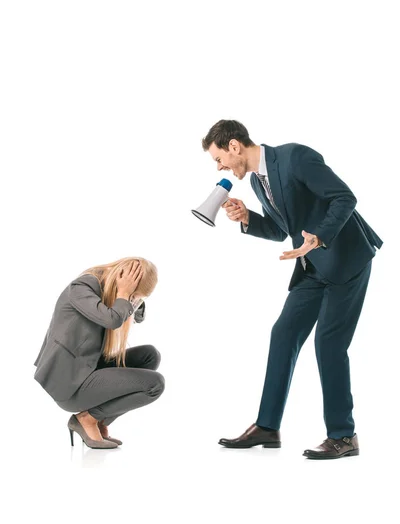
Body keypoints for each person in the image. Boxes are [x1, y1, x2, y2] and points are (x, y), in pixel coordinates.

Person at [201, 119, 383, 459]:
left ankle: (344, 436)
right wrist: (248, 219)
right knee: (283, 334)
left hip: (345, 260)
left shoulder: (294, 157)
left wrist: (318, 236)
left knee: (328, 344)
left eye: (218, 158)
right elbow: (282, 229)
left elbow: (345, 198)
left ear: (234, 146)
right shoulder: (258, 182)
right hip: (311, 267)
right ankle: (267, 427)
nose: (219, 166)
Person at [34, 257, 164, 449]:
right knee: (154, 384)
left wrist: (133, 299)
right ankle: (87, 419)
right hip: (69, 383)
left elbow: (133, 315)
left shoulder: (109, 290)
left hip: (88, 367)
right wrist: (124, 293)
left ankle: (99, 419)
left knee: (149, 355)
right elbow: (112, 320)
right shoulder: (81, 288)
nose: (132, 300)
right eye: (133, 295)